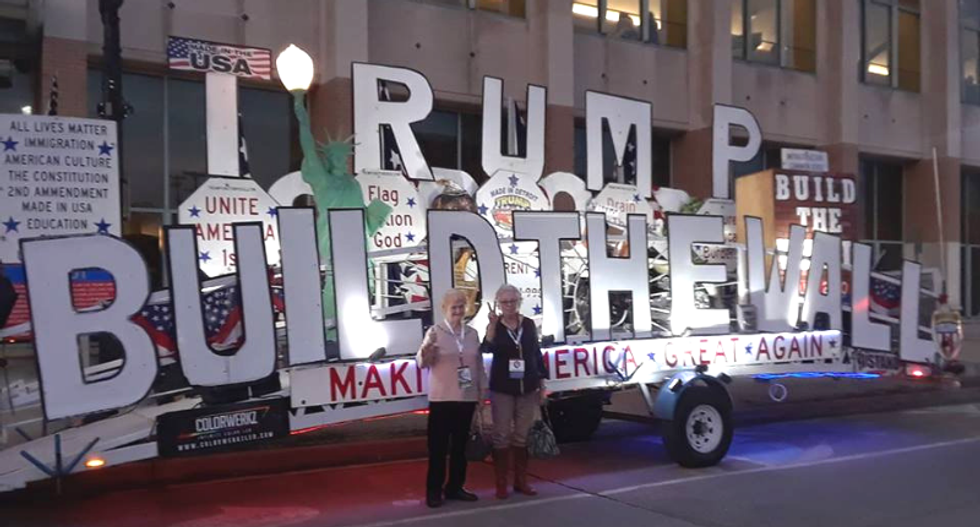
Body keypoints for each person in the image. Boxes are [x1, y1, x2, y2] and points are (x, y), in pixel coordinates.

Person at [416, 288, 486, 508]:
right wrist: (427, 349)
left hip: (466, 398)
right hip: (442, 399)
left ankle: (455, 487)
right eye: (453, 307)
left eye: (461, 306)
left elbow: (479, 365)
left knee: (460, 448)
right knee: (438, 448)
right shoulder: (435, 332)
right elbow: (421, 362)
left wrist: (482, 393)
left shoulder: (473, 334)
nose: (457, 311)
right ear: (444, 309)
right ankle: (433, 491)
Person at [483, 284, 547, 499]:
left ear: (519, 302)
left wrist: (542, 385)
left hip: (527, 386)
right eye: (504, 302)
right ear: (498, 304)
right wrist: (491, 326)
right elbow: (487, 348)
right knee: (501, 435)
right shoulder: (495, 326)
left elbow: (536, 354)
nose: (509, 305)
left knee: (522, 435)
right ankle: (501, 483)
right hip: (502, 387)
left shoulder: (528, 324)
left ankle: (521, 481)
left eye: (513, 301)